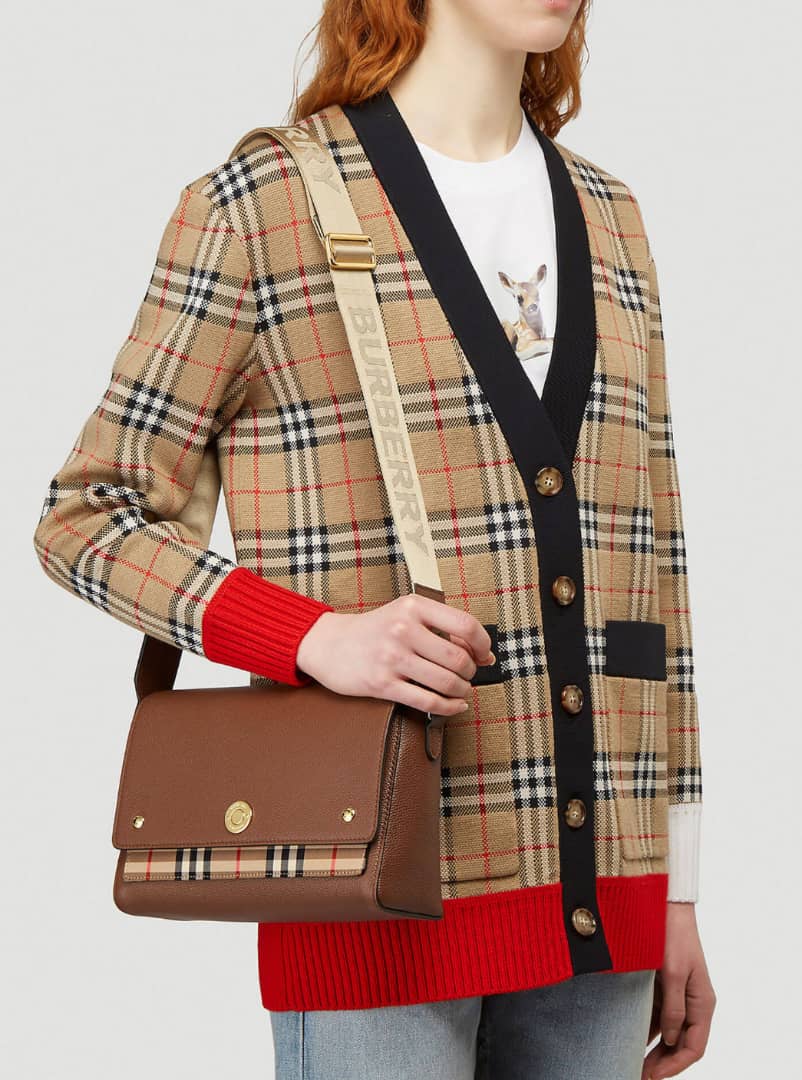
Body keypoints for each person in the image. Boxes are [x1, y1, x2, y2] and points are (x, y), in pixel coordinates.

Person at [32, 1, 716, 1077]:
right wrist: (314, 639)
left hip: (604, 914)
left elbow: (656, 565)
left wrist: (676, 890)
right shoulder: (266, 204)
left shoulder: (610, 216)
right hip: (371, 899)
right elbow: (88, 514)